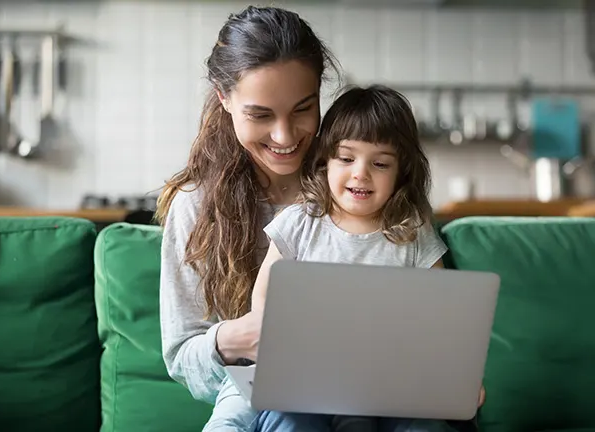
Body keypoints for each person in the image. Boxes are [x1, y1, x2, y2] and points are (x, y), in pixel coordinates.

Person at [156, 5, 484, 432]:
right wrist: (235, 338)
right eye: (260, 115)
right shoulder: (197, 206)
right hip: (276, 398)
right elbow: (183, 357)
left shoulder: (359, 185)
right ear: (224, 98)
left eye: (302, 109)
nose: (285, 137)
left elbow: (432, 311)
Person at [249, 85, 481, 432]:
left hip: (394, 390)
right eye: (346, 158)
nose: (361, 172)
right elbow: (264, 300)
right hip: (311, 386)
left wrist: (457, 378)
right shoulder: (299, 224)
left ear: (401, 173)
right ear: (324, 160)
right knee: (288, 424)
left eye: (380, 163)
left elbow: (442, 317)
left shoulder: (413, 233)